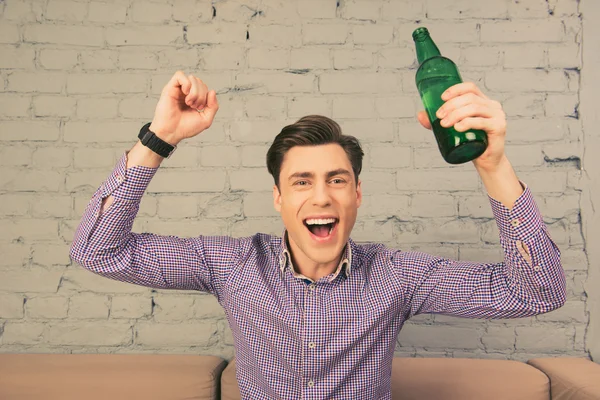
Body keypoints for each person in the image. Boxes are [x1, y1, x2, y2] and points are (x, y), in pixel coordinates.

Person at [70, 71, 566, 399]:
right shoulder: (234, 265)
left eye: (337, 180)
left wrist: (493, 164)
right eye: (301, 182)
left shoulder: (397, 276)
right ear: (279, 199)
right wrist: (159, 139)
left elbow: (537, 290)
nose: (322, 198)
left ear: (356, 195)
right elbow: (97, 249)